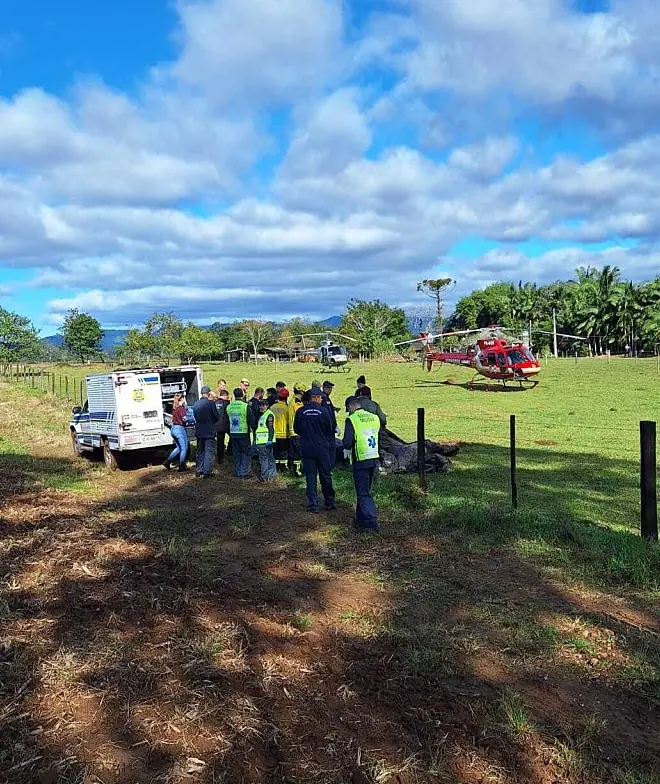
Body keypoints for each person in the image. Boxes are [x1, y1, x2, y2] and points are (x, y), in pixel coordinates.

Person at [294, 387, 336, 513]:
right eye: (321, 397)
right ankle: (329, 501)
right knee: (325, 475)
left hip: (307, 448)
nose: (322, 399)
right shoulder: (323, 411)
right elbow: (329, 428)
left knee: (311, 477)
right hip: (322, 448)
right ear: (316, 398)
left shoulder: (301, 411)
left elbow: (296, 429)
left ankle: (313, 504)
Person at [343, 397, 381, 531]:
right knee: (365, 490)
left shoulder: (352, 419)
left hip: (361, 458)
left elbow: (347, 441)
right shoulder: (374, 417)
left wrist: (346, 450)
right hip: (374, 457)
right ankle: (360, 519)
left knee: (363, 492)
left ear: (349, 407)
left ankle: (370, 522)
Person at [226, 387, 255, 478]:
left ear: (234, 395)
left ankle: (238, 471)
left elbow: (227, 420)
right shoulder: (245, 406)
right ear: (242, 395)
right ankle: (244, 472)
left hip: (233, 433)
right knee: (246, 453)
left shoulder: (229, 407)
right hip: (243, 432)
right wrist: (254, 429)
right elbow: (251, 420)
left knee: (237, 453)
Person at [193, 385, 219, 478]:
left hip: (199, 430)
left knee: (200, 450)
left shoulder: (196, 404)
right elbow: (216, 416)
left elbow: (195, 416)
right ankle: (207, 472)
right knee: (209, 451)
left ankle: (199, 470)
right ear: (208, 393)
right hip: (209, 431)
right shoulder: (211, 403)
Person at [163, 392, 189, 472]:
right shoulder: (181, 409)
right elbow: (185, 419)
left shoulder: (175, 408)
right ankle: (182, 466)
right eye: (184, 398)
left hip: (173, 429)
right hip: (179, 429)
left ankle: (167, 461)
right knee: (184, 448)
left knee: (178, 447)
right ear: (181, 399)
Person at [255, 398, 276, 481]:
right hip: (261, 441)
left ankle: (265, 477)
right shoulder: (262, 415)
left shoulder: (269, 415)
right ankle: (270, 476)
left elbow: (271, 428)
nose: (261, 407)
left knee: (264, 459)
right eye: (260, 405)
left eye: (263, 405)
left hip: (265, 441)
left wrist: (270, 439)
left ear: (267, 406)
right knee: (268, 458)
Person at [270, 387, 290, 470]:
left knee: (276, 451)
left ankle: (276, 467)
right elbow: (289, 421)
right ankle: (283, 467)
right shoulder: (287, 408)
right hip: (284, 433)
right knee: (284, 452)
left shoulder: (272, 407)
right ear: (286, 398)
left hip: (274, 434)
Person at [288, 384, 305, 476]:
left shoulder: (292, 401)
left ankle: (295, 470)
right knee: (297, 455)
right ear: (301, 392)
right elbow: (300, 417)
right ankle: (297, 472)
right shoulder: (297, 403)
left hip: (292, 431)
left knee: (295, 454)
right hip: (296, 432)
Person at [321, 380, 339, 465]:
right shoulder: (323, 398)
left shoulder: (327, 398)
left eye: (331, 388)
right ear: (324, 388)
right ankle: (329, 465)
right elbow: (326, 414)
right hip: (327, 429)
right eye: (328, 388)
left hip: (331, 428)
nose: (330, 390)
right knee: (330, 448)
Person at [214, 389, 231, 464]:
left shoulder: (215, 403)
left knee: (220, 442)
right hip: (226, 425)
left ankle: (220, 458)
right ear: (225, 396)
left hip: (217, 426)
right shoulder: (227, 403)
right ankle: (230, 452)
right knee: (234, 438)